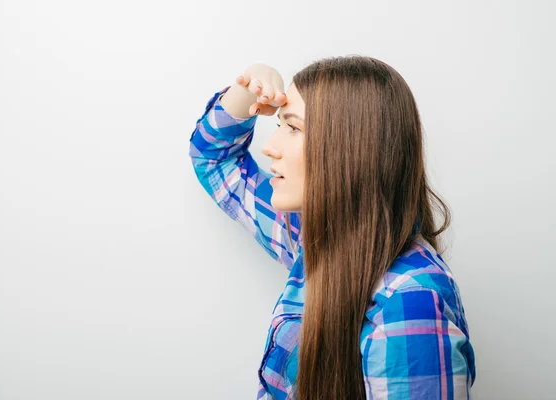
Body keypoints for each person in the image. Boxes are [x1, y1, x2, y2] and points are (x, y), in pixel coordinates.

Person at [188, 56, 476, 400]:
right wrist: (247, 90)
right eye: (280, 124)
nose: (270, 146)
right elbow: (214, 158)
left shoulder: (408, 302)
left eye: (293, 127)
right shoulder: (313, 237)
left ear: (350, 149)